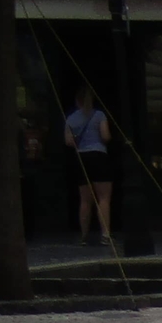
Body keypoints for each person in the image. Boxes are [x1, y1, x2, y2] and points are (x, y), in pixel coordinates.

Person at [63, 86, 113, 247]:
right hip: (98, 156)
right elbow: (105, 136)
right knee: (103, 198)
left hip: (81, 158)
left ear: (77, 101)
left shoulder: (71, 118)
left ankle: (84, 235)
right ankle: (105, 235)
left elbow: (68, 141)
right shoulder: (99, 115)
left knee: (85, 200)